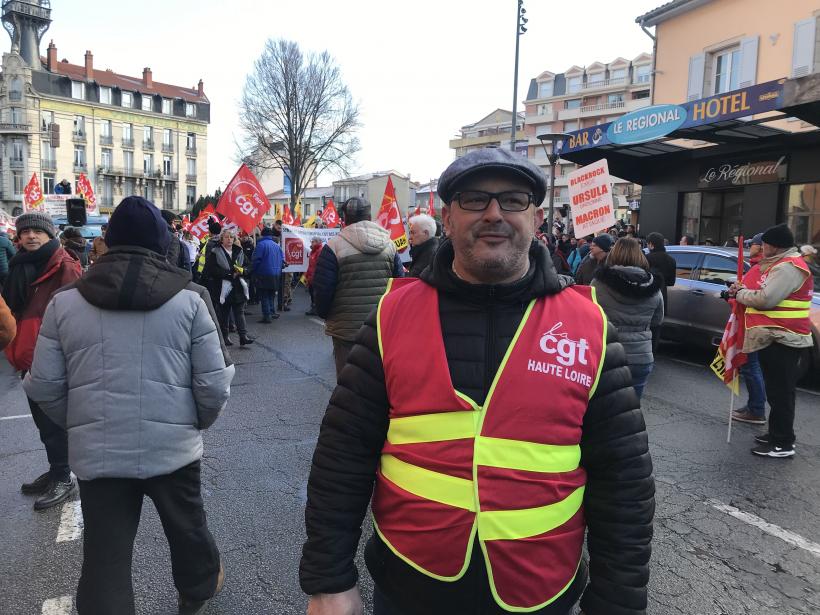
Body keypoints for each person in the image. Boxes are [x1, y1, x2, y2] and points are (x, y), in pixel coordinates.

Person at [300, 148, 654, 615]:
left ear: (536, 216)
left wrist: (618, 602)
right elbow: (343, 453)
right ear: (447, 218)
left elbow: (624, 479)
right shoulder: (391, 316)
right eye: (473, 200)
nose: (493, 214)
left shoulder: (588, 323)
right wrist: (328, 580)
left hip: (540, 593)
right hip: (410, 588)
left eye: (512, 199)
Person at [23, 195, 233, 615]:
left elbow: (44, 386)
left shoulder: (65, 301)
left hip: (100, 454)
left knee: (105, 554)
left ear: (109, 240)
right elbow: (213, 385)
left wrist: (82, 423)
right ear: (162, 242)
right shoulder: (190, 299)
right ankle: (196, 593)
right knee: (188, 529)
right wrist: (192, 423)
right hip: (173, 449)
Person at [1, 212, 81, 510]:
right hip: (27, 354)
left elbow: (75, 316)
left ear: (50, 235)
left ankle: (64, 477)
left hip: (53, 357)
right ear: (18, 238)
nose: (31, 236)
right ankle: (56, 468)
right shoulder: (19, 265)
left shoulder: (65, 266)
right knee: (41, 419)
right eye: (25, 232)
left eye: (38, 231)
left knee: (53, 421)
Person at [728, 224, 813, 458]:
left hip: (783, 338)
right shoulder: (782, 264)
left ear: (774, 246)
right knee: (778, 393)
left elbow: (766, 299)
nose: (761, 247)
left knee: (781, 394)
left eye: (764, 243)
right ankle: (776, 434)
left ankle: (782, 443)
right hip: (777, 336)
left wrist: (740, 294)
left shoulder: (788, 267)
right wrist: (745, 289)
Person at [312, 197, 404, 377]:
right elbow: (399, 285)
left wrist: (323, 312)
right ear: (369, 216)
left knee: (349, 382)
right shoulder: (389, 244)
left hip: (346, 328)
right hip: (380, 326)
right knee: (379, 379)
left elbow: (324, 289)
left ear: (345, 218)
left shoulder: (333, 246)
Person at [591, 238, 663, 400]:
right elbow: (658, 320)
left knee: (602, 412)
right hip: (641, 356)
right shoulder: (653, 286)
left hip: (608, 355)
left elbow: (589, 316)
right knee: (631, 411)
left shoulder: (599, 283)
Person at [732, 233, 767, 425]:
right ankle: (754, 405)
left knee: (751, 366)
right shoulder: (760, 267)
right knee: (753, 366)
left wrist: (733, 295)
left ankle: (756, 409)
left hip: (750, 324)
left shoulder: (758, 268)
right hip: (755, 323)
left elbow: (748, 296)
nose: (748, 247)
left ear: (761, 247)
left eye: (751, 245)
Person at [205, 229, 254, 346]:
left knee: (239, 312)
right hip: (223, 288)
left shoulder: (239, 251)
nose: (229, 239)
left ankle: (243, 336)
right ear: (222, 239)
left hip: (238, 287)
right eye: (226, 237)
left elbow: (249, 266)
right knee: (224, 314)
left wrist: (243, 271)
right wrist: (228, 274)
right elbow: (211, 269)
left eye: (231, 237)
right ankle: (225, 336)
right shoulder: (215, 251)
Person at [251, 227, 284, 323]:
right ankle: (272, 312)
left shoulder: (261, 245)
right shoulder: (277, 246)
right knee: (271, 295)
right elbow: (282, 260)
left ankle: (267, 315)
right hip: (276, 274)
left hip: (263, 274)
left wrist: (253, 270)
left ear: (262, 234)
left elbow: (256, 260)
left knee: (264, 295)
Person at [645, 232, 676, 316]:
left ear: (651, 244)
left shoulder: (646, 258)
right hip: (662, 296)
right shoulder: (671, 260)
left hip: (647, 296)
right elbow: (671, 282)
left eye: (647, 244)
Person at [160, 210, 193, 274]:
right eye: (174, 223)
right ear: (171, 223)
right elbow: (187, 270)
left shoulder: (147, 238)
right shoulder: (177, 242)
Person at [305, 237, 323, 316]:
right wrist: (307, 274)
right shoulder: (313, 251)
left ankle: (316, 309)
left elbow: (319, 265)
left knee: (315, 294)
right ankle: (314, 308)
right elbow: (311, 265)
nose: (311, 243)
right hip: (311, 277)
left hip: (316, 277)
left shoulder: (319, 251)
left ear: (317, 242)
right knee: (312, 293)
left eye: (313, 242)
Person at [0, 224, 16, 289]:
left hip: (4, 270)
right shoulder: (4, 240)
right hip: (3, 270)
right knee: (6, 289)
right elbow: (13, 254)